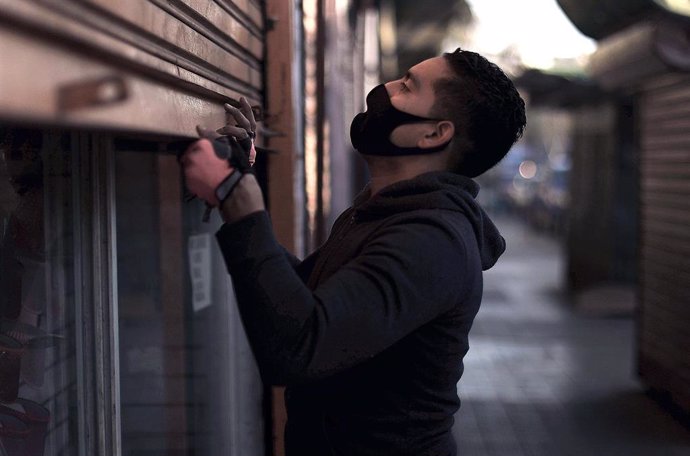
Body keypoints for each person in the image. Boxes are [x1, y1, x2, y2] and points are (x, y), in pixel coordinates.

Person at [181, 48, 526, 456]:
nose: (382, 90)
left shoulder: (432, 240)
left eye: (407, 86)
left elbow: (298, 346)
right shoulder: (391, 213)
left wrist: (236, 196)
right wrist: (240, 178)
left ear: (434, 133)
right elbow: (301, 299)